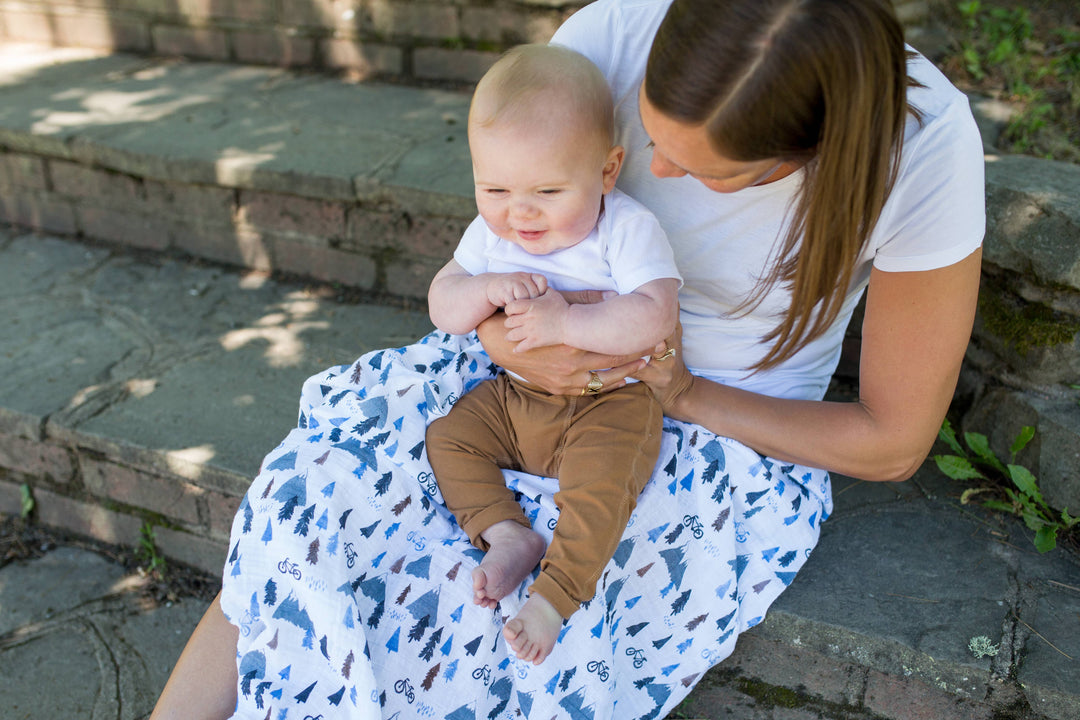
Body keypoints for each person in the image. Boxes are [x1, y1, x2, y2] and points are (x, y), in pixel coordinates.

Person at [151, 0, 985, 718]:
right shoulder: (612, 35)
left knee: (490, 629)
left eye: (704, 172)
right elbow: (507, 233)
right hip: (511, 373)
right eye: (651, 138)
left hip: (712, 426)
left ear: (806, 156)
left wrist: (684, 394)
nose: (655, 175)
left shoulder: (920, 149)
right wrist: (501, 336)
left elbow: (892, 439)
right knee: (320, 500)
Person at [424, 43, 681, 666]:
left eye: (545, 189)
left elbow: (656, 314)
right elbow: (442, 303)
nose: (520, 211)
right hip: (515, 397)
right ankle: (507, 531)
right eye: (495, 187)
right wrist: (481, 288)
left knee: (602, 489)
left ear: (606, 171)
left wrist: (569, 318)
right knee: (450, 437)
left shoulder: (624, 228)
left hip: (609, 404)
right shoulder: (492, 233)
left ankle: (555, 596)